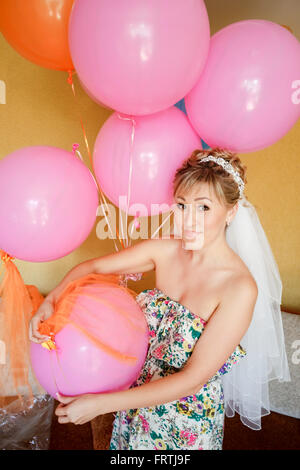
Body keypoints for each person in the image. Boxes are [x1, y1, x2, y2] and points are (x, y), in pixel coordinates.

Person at [29, 147, 290, 450]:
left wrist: (100, 404)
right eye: (181, 205)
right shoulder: (165, 251)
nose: (188, 220)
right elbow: (93, 268)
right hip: (133, 404)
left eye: (203, 207)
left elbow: (192, 379)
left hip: (185, 421)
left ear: (231, 212)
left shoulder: (239, 288)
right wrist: (51, 301)